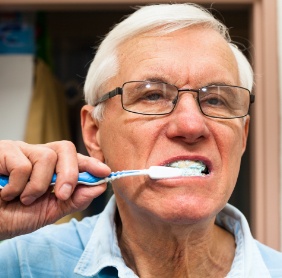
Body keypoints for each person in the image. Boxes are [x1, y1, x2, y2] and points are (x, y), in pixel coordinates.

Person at [0, 3, 281, 277]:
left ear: (242, 137)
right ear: (94, 134)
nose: (191, 125)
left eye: (216, 99)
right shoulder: (19, 263)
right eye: (152, 95)